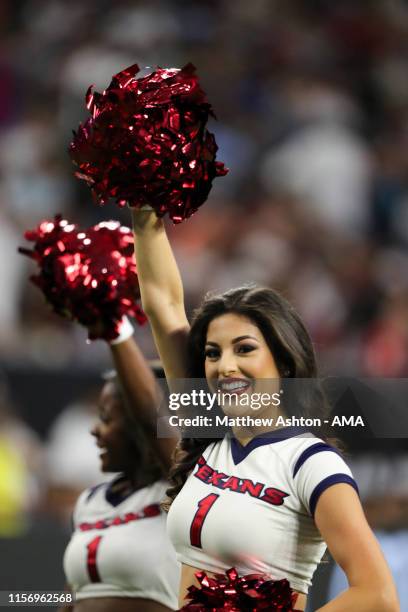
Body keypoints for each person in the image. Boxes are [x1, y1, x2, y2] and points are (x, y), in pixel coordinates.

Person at [131, 207, 399, 612]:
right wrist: (143, 210)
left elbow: (378, 596)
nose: (225, 366)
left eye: (244, 349)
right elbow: (164, 305)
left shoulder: (311, 463)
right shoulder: (206, 430)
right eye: (212, 353)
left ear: (284, 360)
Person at [60, 330, 180, 612]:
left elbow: (152, 417)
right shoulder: (89, 502)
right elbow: (71, 598)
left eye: (105, 418)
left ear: (139, 427)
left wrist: (116, 331)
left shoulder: (182, 489)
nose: (94, 429)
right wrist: (13, 598)